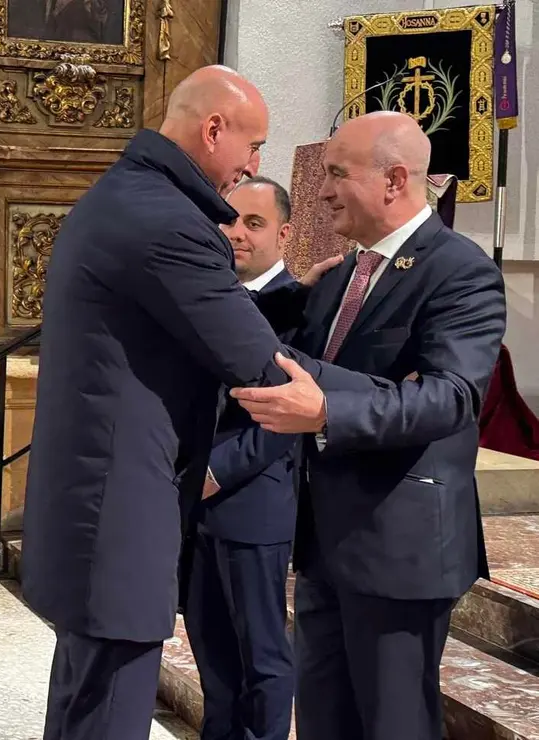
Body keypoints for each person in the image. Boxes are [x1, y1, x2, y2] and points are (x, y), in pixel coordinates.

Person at [21, 65, 376, 740]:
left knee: (83, 699)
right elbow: (257, 361)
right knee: (107, 712)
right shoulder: (167, 220)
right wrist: (388, 394)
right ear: (213, 129)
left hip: (94, 503)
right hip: (118, 512)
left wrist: (295, 294)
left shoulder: (125, 195)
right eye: (253, 146)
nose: (253, 164)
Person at [230, 111, 506, 740]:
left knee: (393, 726)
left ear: (394, 180)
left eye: (336, 174)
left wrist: (328, 411)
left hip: (400, 547)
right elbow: (294, 355)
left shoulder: (459, 271)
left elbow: (450, 398)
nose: (321, 190)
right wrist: (294, 290)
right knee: (325, 720)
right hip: (328, 540)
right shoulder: (343, 274)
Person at [186, 176, 297, 740]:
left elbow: (288, 418)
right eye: (230, 221)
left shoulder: (297, 306)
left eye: (254, 224)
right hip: (198, 505)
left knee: (263, 655)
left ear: (284, 232)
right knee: (209, 648)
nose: (237, 234)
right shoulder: (212, 296)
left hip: (254, 502)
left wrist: (213, 473)